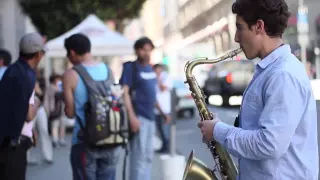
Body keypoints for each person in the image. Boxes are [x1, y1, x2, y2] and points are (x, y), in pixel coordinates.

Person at [198, 0, 318, 179]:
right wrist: (218, 129)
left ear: (259, 27)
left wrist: (218, 130)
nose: (236, 38)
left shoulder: (282, 75)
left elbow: (269, 145)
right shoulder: (270, 70)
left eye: (240, 28)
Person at [62, 33, 121, 180]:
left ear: (72, 52)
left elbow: (69, 113)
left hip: (83, 141)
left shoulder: (71, 74)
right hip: (111, 139)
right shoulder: (108, 70)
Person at [120, 37, 169, 180]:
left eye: (149, 50)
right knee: (138, 159)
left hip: (151, 117)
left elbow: (152, 94)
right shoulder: (131, 67)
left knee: (148, 157)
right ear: (137, 50)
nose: (146, 53)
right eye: (143, 50)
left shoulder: (149, 68)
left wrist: (162, 112)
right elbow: (125, 93)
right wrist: (132, 117)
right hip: (138, 117)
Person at [0, 32, 45, 180]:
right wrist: (38, 99)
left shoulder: (13, 70)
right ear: (38, 54)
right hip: (13, 144)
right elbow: (28, 114)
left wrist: (30, 130)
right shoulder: (27, 75)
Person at [153, 64, 172, 153]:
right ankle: (164, 146)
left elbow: (163, 88)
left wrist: (158, 79)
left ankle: (167, 147)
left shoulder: (165, 77)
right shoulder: (153, 77)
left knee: (165, 130)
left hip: (165, 109)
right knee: (159, 129)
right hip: (156, 109)